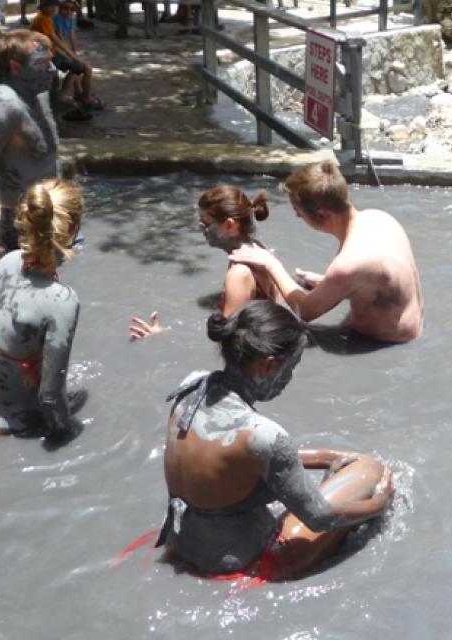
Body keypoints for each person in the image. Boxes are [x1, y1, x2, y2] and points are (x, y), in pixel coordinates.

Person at [158, 301, 394, 580]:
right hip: (246, 561)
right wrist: (380, 501)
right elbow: (318, 517)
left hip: (182, 542)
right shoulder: (265, 434)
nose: (290, 377)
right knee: (369, 469)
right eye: (291, 367)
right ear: (267, 365)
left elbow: (234, 457)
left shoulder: (192, 387)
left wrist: (325, 457)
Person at [227, 160, 425, 344]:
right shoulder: (379, 218)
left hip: (383, 344)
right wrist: (326, 283)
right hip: (412, 326)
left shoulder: (349, 264)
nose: (296, 215)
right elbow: (380, 282)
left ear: (322, 214)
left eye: (299, 210)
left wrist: (270, 263)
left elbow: (304, 311)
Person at [0, 178, 86, 441]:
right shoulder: (61, 300)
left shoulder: (6, 262)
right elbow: (50, 397)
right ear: (72, 230)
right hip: (20, 427)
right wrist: (65, 435)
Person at [127, 185, 285, 340]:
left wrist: (164, 335)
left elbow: (228, 339)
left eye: (206, 225)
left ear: (230, 225)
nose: (202, 230)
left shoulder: (239, 273)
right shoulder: (257, 250)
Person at [0, 29, 59, 258]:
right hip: (21, 231)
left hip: (49, 222)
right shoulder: (5, 105)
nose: (52, 70)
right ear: (16, 67)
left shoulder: (39, 95)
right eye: (43, 63)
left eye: (51, 62)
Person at [31, 0, 103, 112]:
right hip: (47, 54)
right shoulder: (44, 19)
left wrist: (74, 54)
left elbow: (69, 36)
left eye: (55, 6)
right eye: (50, 6)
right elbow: (57, 40)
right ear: (42, 7)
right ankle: (77, 97)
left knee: (78, 67)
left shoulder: (47, 18)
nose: (53, 9)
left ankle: (79, 95)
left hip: (51, 52)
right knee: (83, 68)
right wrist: (74, 56)